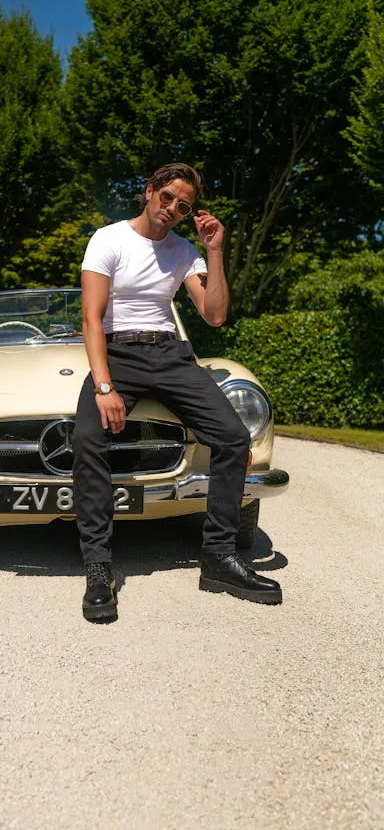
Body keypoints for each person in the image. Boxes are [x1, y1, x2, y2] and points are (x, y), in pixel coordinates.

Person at [72, 162, 282, 620]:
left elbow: (214, 314)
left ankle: (219, 558)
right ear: (149, 192)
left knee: (232, 437)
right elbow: (91, 318)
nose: (172, 209)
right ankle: (97, 568)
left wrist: (216, 251)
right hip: (118, 354)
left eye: (182, 206)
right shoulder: (108, 239)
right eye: (166, 198)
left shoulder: (186, 251)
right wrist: (104, 386)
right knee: (87, 438)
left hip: (170, 356)